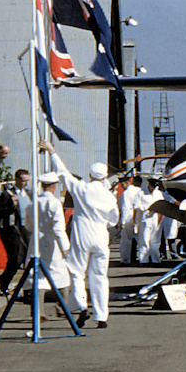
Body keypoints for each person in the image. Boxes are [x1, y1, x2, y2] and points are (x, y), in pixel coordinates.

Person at [41, 140, 119, 329]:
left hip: (82, 235)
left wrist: (52, 152)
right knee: (100, 276)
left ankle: (82, 307)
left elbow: (63, 173)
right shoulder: (110, 196)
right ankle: (101, 316)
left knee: (77, 273)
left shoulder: (81, 188)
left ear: (90, 175)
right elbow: (114, 220)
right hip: (101, 236)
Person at [22, 170, 74, 318]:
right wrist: (65, 247)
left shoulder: (33, 203)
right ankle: (62, 308)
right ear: (54, 186)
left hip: (37, 239)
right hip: (52, 241)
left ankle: (38, 312)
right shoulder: (55, 203)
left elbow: (28, 225)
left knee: (38, 275)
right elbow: (59, 228)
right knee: (62, 274)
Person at [0, 168, 29, 295]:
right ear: (17, 180)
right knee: (16, 258)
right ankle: (4, 280)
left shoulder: (29, 193)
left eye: (27, 181)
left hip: (27, 228)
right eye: (23, 181)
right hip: (14, 229)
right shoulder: (8, 194)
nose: (25, 183)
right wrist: (12, 205)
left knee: (27, 257)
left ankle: (24, 286)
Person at [117, 175, 145, 265]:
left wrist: (123, 222)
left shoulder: (127, 193)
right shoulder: (139, 190)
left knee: (126, 240)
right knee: (140, 239)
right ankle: (143, 259)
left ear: (127, 183)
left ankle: (125, 259)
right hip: (138, 216)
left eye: (122, 184)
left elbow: (125, 207)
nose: (122, 187)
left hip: (129, 216)